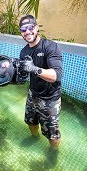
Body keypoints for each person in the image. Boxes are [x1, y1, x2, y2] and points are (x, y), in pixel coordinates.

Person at [19, 15, 63, 149]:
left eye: (30, 27)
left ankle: (53, 152)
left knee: (52, 134)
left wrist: (34, 69)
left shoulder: (50, 47)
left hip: (50, 98)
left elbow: (56, 75)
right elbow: (23, 75)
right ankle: (35, 137)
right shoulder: (24, 51)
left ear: (36, 28)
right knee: (30, 121)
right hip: (33, 94)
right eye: (23, 29)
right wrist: (8, 72)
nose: (27, 32)